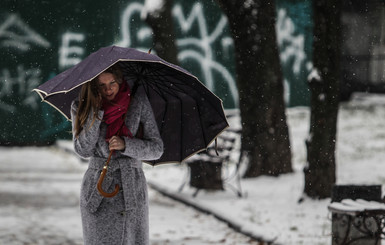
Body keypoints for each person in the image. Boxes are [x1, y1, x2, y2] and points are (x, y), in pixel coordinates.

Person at [71, 64, 164, 245]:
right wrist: (95, 115)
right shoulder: (81, 106)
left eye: (112, 82)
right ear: (93, 87)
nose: (108, 89)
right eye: (102, 85)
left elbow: (156, 148)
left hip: (132, 190)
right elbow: (83, 150)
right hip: (98, 189)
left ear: (119, 80)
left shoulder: (138, 102)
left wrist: (126, 145)